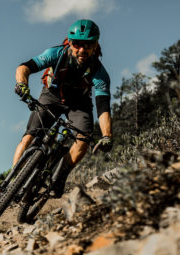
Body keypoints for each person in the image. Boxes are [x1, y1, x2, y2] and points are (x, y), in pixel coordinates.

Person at [12, 19, 113, 197]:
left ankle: (59, 176)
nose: (82, 49)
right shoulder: (56, 53)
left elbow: (103, 107)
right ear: (70, 42)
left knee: (83, 140)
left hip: (79, 104)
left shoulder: (99, 72)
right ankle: (12, 183)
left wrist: (107, 135)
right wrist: (22, 85)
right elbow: (24, 67)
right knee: (30, 136)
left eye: (88, 44)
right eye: (77, 44)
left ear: (95, 44)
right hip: (51, 95)